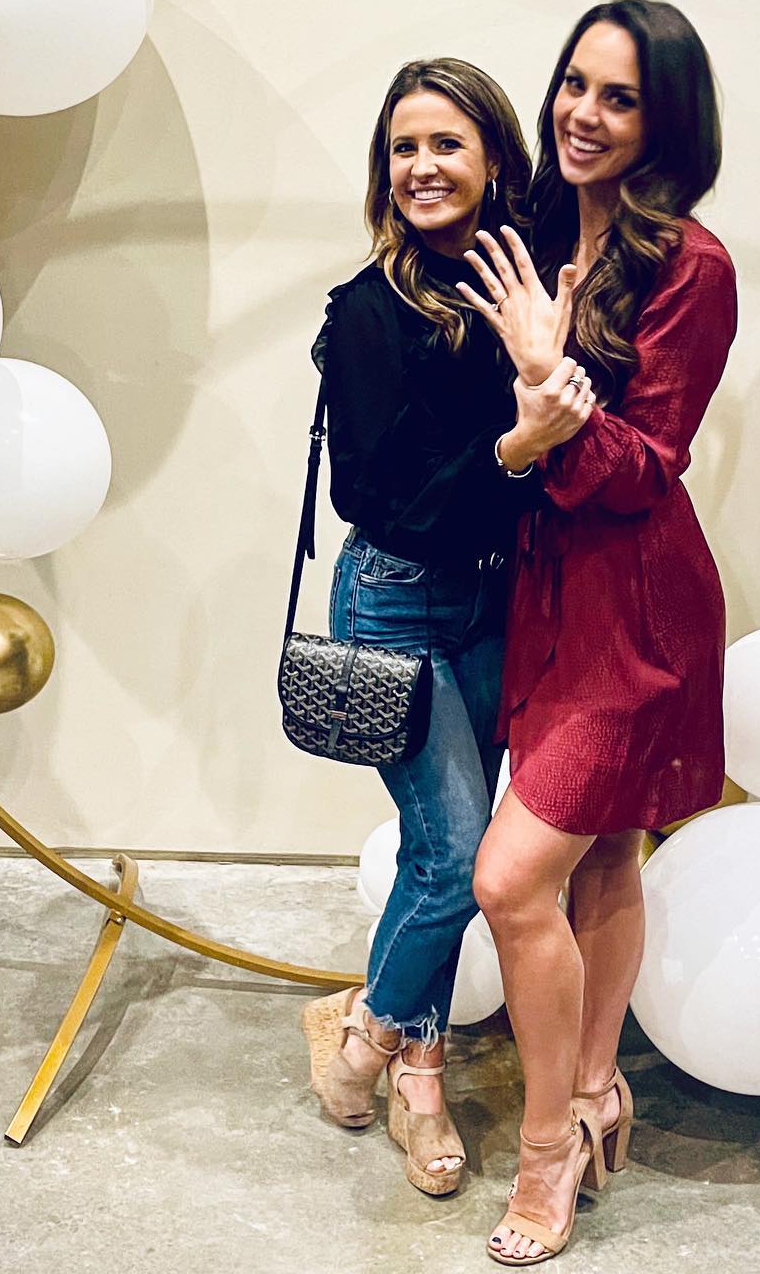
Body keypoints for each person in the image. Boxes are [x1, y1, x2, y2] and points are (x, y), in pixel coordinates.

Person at [454, 0, 737, 1264]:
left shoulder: (693, 266)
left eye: (620, 97)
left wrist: (551, 381)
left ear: (665, 121)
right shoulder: (529, 226)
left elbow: (645, 467)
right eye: (576, 83)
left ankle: (546, 1152)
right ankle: (594, 1090)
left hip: (638, 607)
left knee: (510, 879)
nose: (584, 113)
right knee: (604, 856)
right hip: (544, 594)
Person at [299, 58, 592, 1197]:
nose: (421, 167)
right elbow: (377, 499)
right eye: (403, 148)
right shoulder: (367, 314)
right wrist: (515, 448)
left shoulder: (520, 284)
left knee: (446, 854)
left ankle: (417, 1074)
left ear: (494, 161)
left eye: (446, 144)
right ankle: (371, 1038)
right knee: (459, 857)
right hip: (395, 598)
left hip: (494, 602)